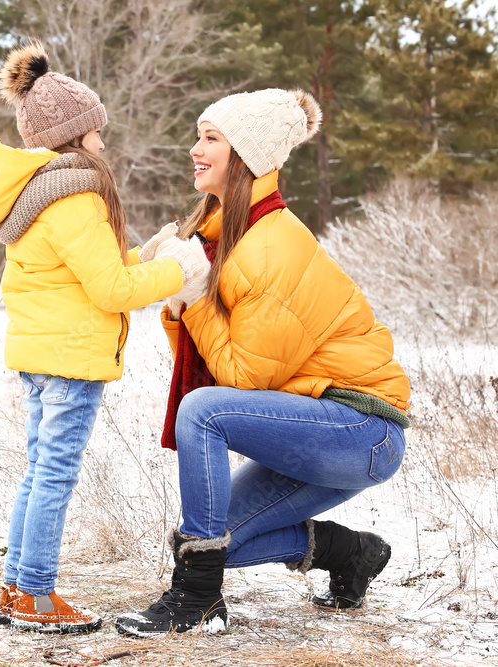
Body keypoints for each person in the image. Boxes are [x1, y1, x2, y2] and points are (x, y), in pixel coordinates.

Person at [114, 89, 411, 637]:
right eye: (198, 135)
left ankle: (197, 599)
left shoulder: (270, 245)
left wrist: (195, 295)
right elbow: (225, 355)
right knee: (201, 544)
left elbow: (243, 377)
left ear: (244, 156)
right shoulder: (224, 229)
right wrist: (182, 289)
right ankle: (349, 553)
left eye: (211, 138)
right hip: (307, 421)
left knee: (203, 412)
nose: (194, 149)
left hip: (362, 427)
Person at [0, 42, 210, 634]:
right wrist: (178, 272)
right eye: (97, 132)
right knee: (53, 474)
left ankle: (16, 587)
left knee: (38, 470)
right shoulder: (77, 194)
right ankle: (35, 593)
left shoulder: (38, 193)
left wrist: (144, 255)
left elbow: (83, 272)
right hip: (72, 359)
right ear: (75, 135)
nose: (104, 142)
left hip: (42, 352)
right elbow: (107, 290)